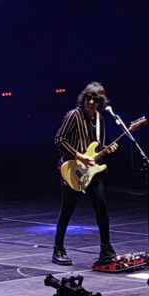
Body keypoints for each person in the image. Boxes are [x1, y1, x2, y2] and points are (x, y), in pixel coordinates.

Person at [53, 81, 119, 266]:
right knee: (67, 210)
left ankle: (106, 249)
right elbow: (59, 139)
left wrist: (108, 149)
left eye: (94, 100)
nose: (90, 102)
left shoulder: (100, 119)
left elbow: (97, 148)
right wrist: (80, 156)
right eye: (88, 98)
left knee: (102, 210)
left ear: (100, 102)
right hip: (72, 169)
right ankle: (58, 249)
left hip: (91, 172)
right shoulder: (74, 115)